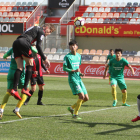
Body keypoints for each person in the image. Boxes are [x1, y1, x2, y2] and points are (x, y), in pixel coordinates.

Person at [11, 23, 55, 100]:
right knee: (30, 64)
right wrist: (45, 58)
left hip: (16, 42)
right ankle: (25, 88)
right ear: (46, 27)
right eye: (49, 31)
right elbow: (38, 46)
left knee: (20, 67)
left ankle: (14, 89)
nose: (49, 33)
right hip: (25, 42)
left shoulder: (34, 27)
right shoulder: (41, 31)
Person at [0, 46, 38, 119]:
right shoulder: (24, 48)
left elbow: (4, 55)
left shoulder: (12, 49)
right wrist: (28, 45)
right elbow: (35, 51)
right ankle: (17, 109)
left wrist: (5, 57)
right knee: (25, 90)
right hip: (20, 73)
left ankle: (1, 110)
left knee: (8, 92)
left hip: (11, 72)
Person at [63, 40, 89, 119]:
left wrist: (80, 73)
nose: (72, 47)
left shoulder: (78, 56)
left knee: (86, 98)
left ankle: (71, 108)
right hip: (72, 79)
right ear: (69, 47)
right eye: (71, 45)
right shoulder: (67, 57)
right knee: (81, 96)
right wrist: (74, 71)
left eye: (74, 45)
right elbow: (64, 68)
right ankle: (75, 114)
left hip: (78, 79)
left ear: (77, 47)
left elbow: (78, 68)